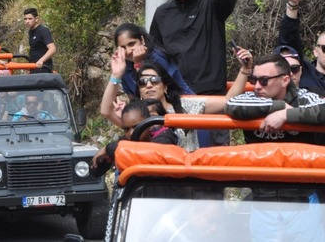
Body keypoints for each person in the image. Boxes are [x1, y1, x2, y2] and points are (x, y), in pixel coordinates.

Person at [224, 54, 325, 242]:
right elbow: (231, 105)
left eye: (264, 81)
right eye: (254, 80)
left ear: (285, 79)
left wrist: (288, 115)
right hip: (262, 199)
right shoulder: (253, 97)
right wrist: (278, 107)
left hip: (302, 198)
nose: (256, 86)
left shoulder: (303, 97)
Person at [149, 0, 238, 146]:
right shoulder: (162, 13)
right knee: (179, 153)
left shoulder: (211, 5)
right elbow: (155, 54)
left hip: (211, 95)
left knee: (215, 155)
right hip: (176, 98)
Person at [101, 56, 250, 152]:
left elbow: (227, 101)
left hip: (185, 175)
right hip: (150, 176)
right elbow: (106, 111)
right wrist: (116, 76)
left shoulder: (186, 105)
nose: (149, 85)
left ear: (165, 85)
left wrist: (244, 71)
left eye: (154, 80)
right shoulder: (134, 114)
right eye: (142, 82)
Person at [92, 99, 179, 177]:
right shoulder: (125, 142)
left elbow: (151, 155)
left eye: (136, 127)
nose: (131, 133)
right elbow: (95, 172)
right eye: (126, 129)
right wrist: (102, 162)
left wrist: (110, 148)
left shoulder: (165, 137)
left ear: (149, 124)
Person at [109, 23, 193, 97]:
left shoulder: (157, 57)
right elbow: (133, 98)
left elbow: (154, 94)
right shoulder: (124, 66)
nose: (128, 51)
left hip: (182, 103)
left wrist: (138, 63)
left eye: (132, 44)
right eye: (123, 48)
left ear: (142, 40)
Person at [23, 8, 56, 73]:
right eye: (25, 19)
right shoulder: (31, 31)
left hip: (43, 68)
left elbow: (52, 49)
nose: (27, 21)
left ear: (36, 19)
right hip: (34, 67)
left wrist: (41, 60)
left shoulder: (43, 30)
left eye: (30, 19)